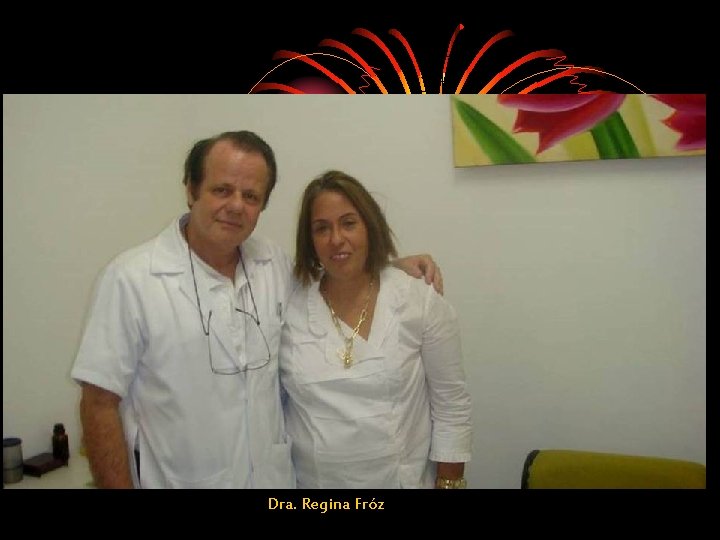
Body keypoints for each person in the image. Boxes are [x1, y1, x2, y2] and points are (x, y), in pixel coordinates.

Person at [71, 131, 442, 488]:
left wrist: (388, 268)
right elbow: (98, 404)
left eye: (250, 196)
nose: (236, 205)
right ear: (191, 190)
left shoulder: (273, 265)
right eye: (222, 190)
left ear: (262, 205)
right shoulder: (132, 279)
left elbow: (333, 279)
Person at [279, 170, 472, 489]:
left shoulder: (418, 301)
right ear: (309, 240)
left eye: (348, 223)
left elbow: (451, 406)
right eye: (322, 228)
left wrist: (449, 484)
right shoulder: (288, 307)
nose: (336, 238)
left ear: (370, 226)